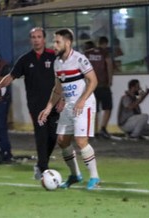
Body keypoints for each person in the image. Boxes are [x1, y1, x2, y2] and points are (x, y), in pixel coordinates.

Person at [0, 27, 61, 179]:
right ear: (30, 40)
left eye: (39, 37)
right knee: (41, 136)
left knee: (54, 136)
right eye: (33, 37)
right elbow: (11, 76)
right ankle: (43, 169)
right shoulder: (25, 59)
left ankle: (41, 163)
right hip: (36, 105)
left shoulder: (54, 56)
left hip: (54, 104)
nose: (36, 39)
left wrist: (63, 99)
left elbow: (63, 79)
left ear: (44, 39)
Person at [38, 28, 100, 190]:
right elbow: (58, 88)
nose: (54, 45)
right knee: (62, 140)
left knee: (81, 141)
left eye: (57, 42)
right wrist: (48, 107)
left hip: (84, 104)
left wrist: (81, 100)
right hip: (69, 105)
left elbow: (93, 81)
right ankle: (75, 175)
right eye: (54, 42)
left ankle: (95, 177)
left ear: (67, 43)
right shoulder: (57, 63)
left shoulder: (80, 59)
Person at [84, 39, 113, 139]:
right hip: (103, 85)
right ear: (104, 43)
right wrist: (110, 80)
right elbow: (109, 65)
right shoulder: (105, 53)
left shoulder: (87, 54)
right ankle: (103, 129)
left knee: (94, 109)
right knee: (108, 108)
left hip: (92, 86)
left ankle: (93, 131)